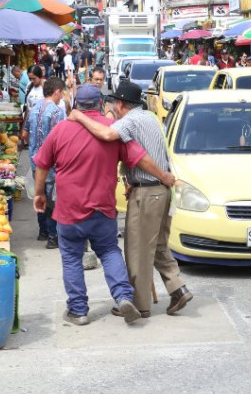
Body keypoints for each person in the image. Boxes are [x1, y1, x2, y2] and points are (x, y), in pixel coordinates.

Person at [33, 83, 175, 326]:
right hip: (102, 208)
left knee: (71, 258)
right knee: (109, 251)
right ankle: (122, 297)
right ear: (100, 104)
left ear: (77, 104)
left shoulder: (61, 130)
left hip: (69, 211)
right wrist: (163, 176)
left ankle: (78, 311)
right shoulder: (114, 130)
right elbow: (140, 158)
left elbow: (42, 165)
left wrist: (39, 194)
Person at [69, 80, 193, 318]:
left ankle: (140, 304)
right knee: (157, 246)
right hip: (161, 192)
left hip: (147, 191)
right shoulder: (150, 118)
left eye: (115, 102)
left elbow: (106, 133)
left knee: (137, 250)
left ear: (121, 104)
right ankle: (178, 289)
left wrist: (79, 117)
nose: (114, 107)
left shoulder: (130, 120)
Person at [26, 77, 67, 248]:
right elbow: (61, 138)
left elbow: (25, 133)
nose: (62, 96)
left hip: (35, 160)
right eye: (61, 93)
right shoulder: (57, 112)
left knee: (38, 192)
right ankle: (52, 236)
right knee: (50, 197)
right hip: (50, 162)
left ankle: (42, 231)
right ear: (56, 92)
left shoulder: (34, 109)